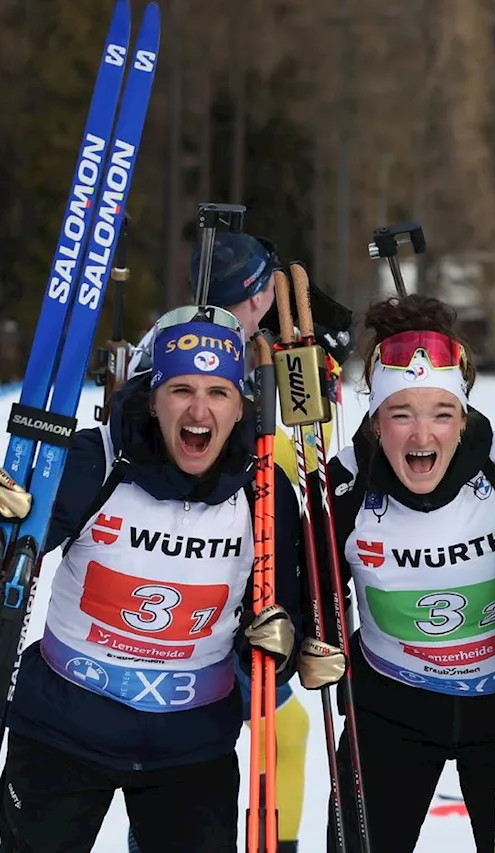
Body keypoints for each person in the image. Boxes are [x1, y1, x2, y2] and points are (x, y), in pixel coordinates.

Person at [0, 309, 307, 852]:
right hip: (63, 734)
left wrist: (282, 641)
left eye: (218, 392)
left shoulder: (263, 491)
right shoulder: (96, 463)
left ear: (241, 408)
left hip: (190, 753)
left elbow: (280, 613)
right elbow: (16, 559)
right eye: (181, 389)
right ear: (154, 397)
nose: (198, 409)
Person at [298, 294, 495, 852]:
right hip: (388, 709)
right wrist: (309, 645)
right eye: (400, 414)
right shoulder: (343, 487)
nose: (422, 436)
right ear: (376, 421)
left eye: (441, 413)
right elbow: (308, 588)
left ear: (464, 417)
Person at [121, 232, 352, 852]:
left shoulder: (217, 332)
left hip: (250, 528)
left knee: (278, 723)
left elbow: (315, 409)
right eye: (260, 294)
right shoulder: (209, 345)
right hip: (217, 539)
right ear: (252, 297)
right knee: (269, 723)